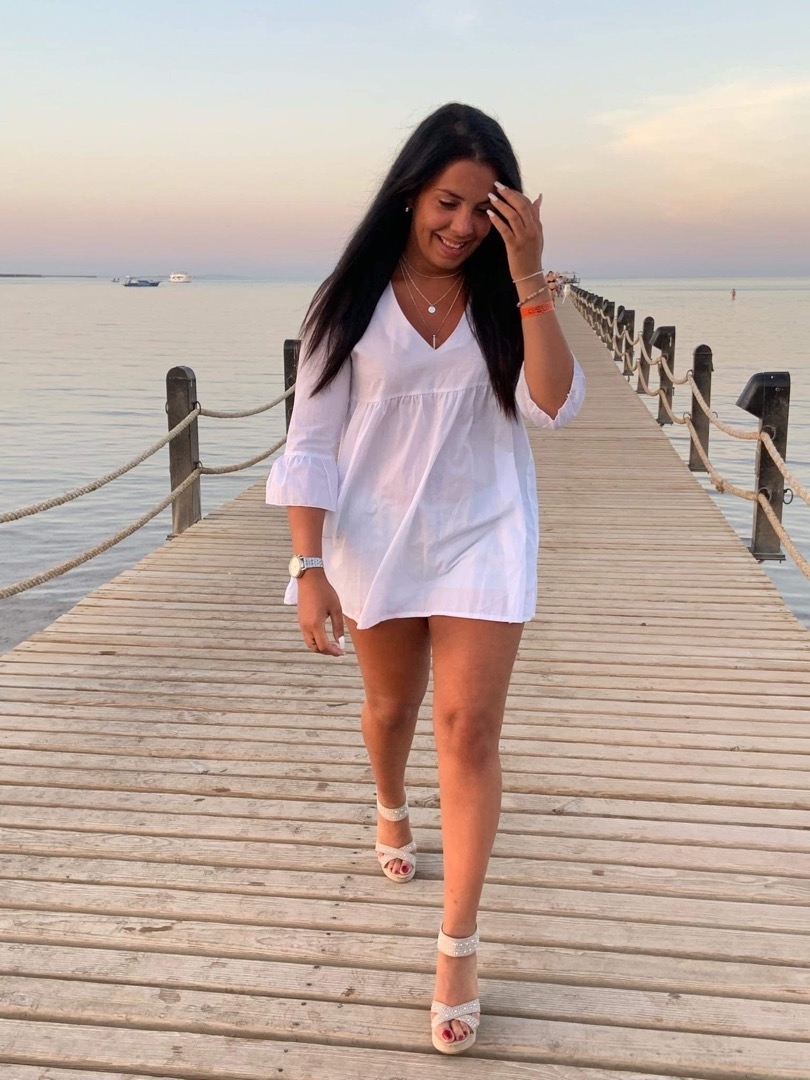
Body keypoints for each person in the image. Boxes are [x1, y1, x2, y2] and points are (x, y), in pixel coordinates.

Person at [266, 102, 585, 1055]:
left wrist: (528, 277)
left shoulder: (505, 292)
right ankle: (392, 803)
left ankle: (458, 947)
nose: (462, 225)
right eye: (449, 202)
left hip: (484, 533)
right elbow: (310, 441)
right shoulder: (347, 300)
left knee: (468, 729)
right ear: (410, 193)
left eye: (485, 209)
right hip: (375, 539)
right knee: (391, 708)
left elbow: (553, 405)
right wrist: (308, 564)